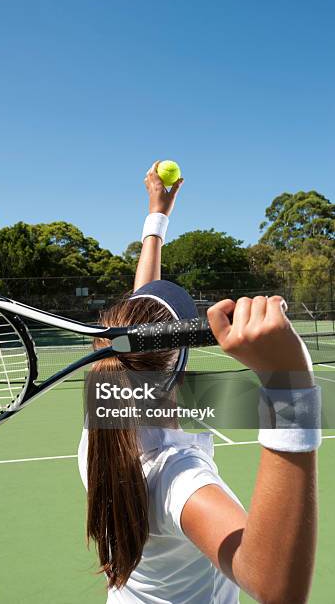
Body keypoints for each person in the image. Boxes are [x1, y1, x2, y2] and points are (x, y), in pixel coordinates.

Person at [78, 161, 321, 603]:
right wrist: (290, 387)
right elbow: (278, 589)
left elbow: (139, 318)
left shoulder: (104, 416)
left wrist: (157, 215)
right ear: (179, 371)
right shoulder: (178, 478)